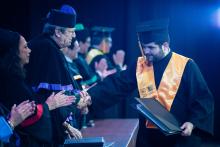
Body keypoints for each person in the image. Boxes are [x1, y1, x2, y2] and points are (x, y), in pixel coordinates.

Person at [88, 19, 214, 147]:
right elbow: (117, 85)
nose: (146, 51)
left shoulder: (186, 65)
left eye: (151, 47)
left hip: (180, 138)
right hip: (148, 138)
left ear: (165, 45)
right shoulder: (140, 65)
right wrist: (89, 97)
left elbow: (203, 99)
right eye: (143, 46)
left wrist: (192, 123)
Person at [0, 28, 75, 146]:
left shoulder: (19, 79)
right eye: (25, 47)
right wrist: (48, 106)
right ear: (14, 52)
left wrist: (64, 124)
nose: (30, 50)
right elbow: (28, 120)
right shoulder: (10, 83)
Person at [26, 8, 91, 144]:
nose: (73, 36)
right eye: (71, 31)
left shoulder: (47, 45)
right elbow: (53, 96)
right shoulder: (49, 49)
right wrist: (67, 123)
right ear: (58, 32)